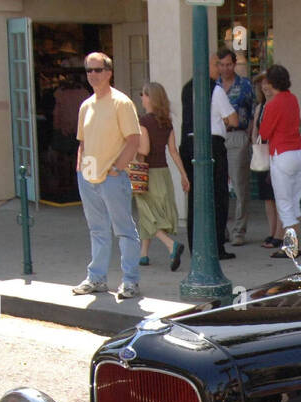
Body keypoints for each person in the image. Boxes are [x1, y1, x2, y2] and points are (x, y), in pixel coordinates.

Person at [72, 51, 142, 300]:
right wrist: (80, 167)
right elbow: (82, 141)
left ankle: (130, 281)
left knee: (124, 230)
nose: (92, 75)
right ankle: (97, 278)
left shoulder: (121, 102)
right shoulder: (86, 105)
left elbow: (134, 140)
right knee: (97, 230)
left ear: (109, 72)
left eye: (97, 70)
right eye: (89, 70)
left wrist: (117, 168)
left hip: (112, 177)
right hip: (88, 176)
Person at [180, 63, 239, 261]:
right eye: (215, 65)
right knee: (218, 195)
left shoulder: (187, 88)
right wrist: (223, 121)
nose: (219, 69)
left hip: (188, 143)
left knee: (195, 198)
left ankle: (195, 246)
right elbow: (233, 120)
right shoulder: (216, 89)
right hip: (211, 143)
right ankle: (216, 247)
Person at [135, 81, 189, 271]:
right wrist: (184, 175)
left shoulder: (143, 122)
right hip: (163, 173)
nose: (141, 97)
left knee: (147, 212)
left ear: (150, 98)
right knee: (151, 212)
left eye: (143, 94)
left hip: (146, 172)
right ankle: (143, 253)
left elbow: (144, 149)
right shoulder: (166, 122)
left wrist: (127, 148)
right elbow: (173, 151)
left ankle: (170, 245)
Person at [258, 64, 301, 258]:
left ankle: (291, 247)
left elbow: (264, 133)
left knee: (284, 204)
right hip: (299, 152)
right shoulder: (292, 99)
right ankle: (296, 245)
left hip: (282, 154)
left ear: (270, 82)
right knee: (294, 203)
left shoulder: (273, 104)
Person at [216, 48, 254, 247]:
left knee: (240, 186)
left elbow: (253, 111)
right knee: (219, 186)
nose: (225, 68)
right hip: (217, 137)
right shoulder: (214, 85)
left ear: (234, 64)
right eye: (221, 65)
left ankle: (239, 230)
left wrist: (250, 135)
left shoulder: (245, 85)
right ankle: (221, 229)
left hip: (237, 135)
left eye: (228, 64)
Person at [251, 72, 284, 248]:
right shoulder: (260, 107)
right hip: (263, 155)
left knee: (279, 196)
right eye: (262, 83)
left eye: (267, 83)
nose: (264, 87)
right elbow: (256, 131)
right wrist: (255, 148)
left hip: (278, 154)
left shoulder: (279, 105)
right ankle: (271, 232)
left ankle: (280, 233)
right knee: (267, 197)